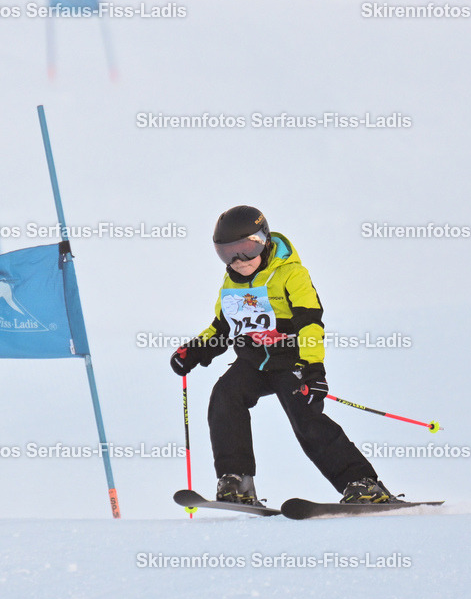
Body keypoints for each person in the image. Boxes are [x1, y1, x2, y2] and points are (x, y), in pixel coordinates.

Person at [170, 205, 399, 505]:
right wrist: (195, 350)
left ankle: (363, 483)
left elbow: (310, 324)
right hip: (253, 361)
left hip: (290, 359)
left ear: (263, 240)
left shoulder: (292, 274)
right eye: (227, 253)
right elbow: (223, 328)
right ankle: (236, 481)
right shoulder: (230, 284)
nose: (238, 261)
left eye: (246, 250)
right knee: (225, 396)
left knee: (306, 417)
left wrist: (314, 369)